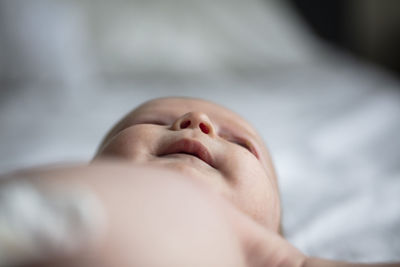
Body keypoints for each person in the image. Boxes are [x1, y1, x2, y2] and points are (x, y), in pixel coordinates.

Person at [0, 97, 398, 267]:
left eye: (240, 143)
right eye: (151, 123)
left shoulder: (267, 254)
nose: (196, 122)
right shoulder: (85, 179)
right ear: (97, 162)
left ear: (275, 221)